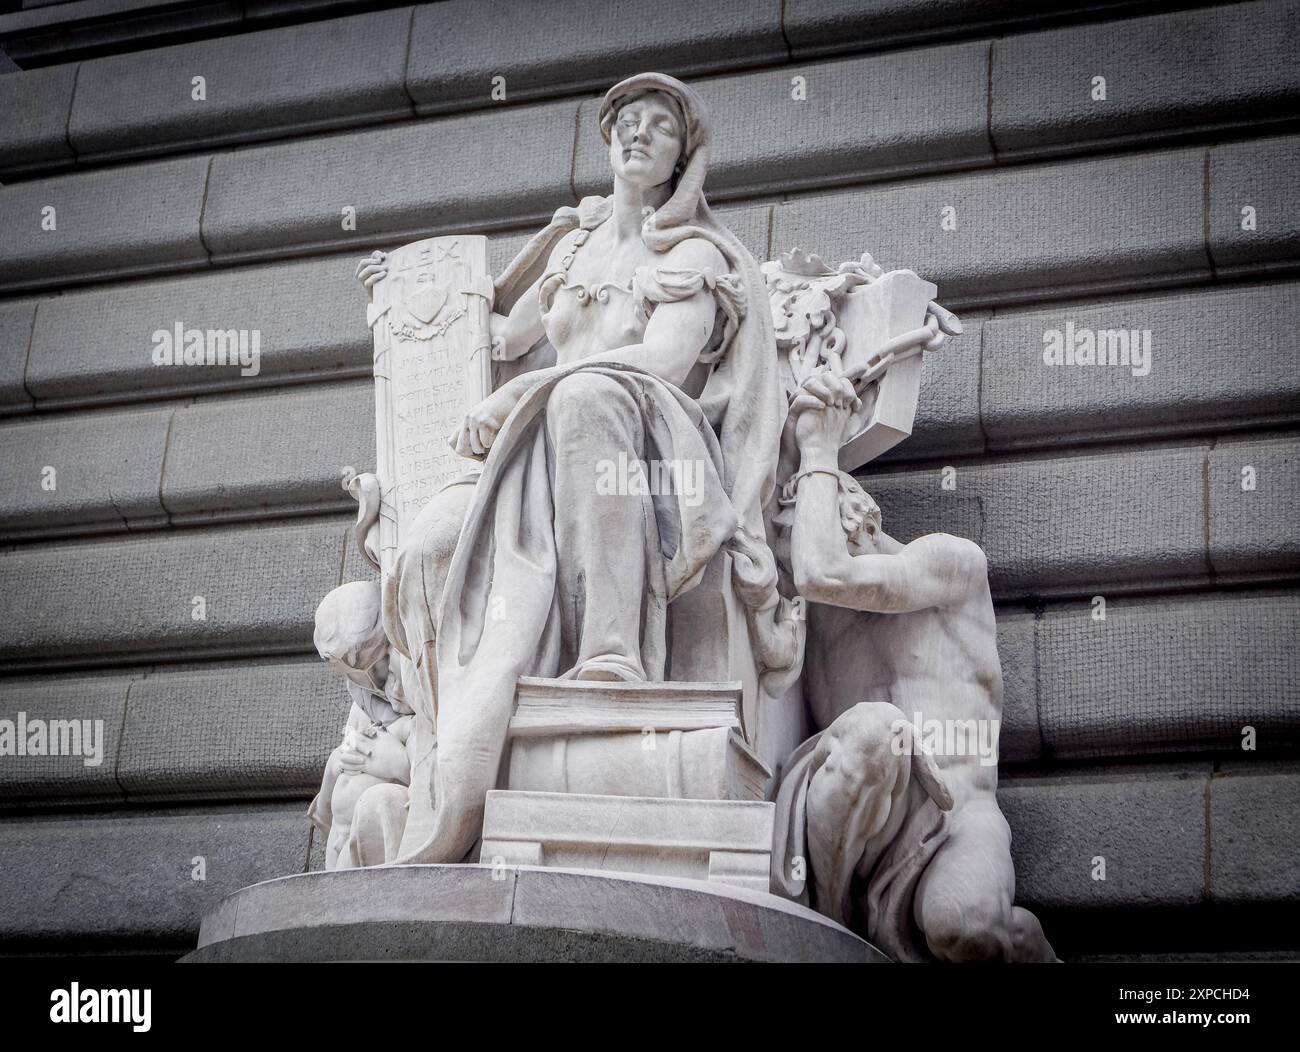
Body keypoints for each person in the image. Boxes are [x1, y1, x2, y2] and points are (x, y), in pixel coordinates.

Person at [352, 73, 787, 866]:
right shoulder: (573, 245)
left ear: (683, 155)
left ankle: (611, 651)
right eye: (624, 120)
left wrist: (531, 386)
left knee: (586, 395)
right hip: (535, 446)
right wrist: (402, 299)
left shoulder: (692, 254)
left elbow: (661, 360)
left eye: (658, 126)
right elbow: (495, 337)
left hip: (645, 440)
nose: (636, 134)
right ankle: (442, 739)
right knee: (425, 546)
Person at [772, 366, 1057, 962]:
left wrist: (820, 447)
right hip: (857, 827)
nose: (794, 542)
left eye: (806, 523)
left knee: (966, 930)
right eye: (788, 534)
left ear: (861, 514)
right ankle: (827, 935)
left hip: (959, 816)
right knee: (876, 731)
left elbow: (824, 573)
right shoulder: (805, 630)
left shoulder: (950, 567)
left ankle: (1030, 949)